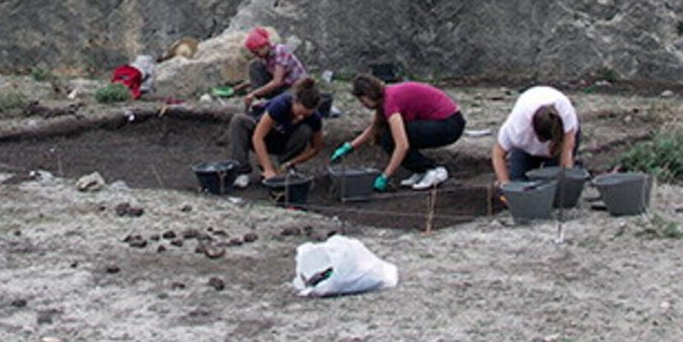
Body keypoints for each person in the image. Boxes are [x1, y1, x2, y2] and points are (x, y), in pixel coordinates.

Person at [331, 75, 464, 191]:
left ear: (368, 95)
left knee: (389, 137)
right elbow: (375, 128)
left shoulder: (391, 101)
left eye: (362, 100)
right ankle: (421, 170)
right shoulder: (385, 98)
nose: (362, 104)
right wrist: (349, 147)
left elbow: (402, 145)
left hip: (449, 125)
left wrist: (385, 176)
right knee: (386, 134)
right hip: (440, 123)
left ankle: (434, 170)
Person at [227, 79, 326, 188]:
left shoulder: (314, 118)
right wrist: (268, 169)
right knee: (238, 121)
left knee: (305, 130)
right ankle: (242, 171)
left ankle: (284, 167)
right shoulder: (280, 105)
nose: (301, 117)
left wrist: (291, 163)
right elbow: (258, 137)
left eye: (306, 115)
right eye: (300, 112)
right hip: (262, 136)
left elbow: (316, 148)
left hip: (283, 141)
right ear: (294, 101)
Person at [491, 85, 581, 187]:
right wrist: (506, 185)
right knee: (518, 182)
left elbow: (566, 156)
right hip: (525, 146)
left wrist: (564, 179)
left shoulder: (565, 116)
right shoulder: (518, 128)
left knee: (554, 185)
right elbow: (498, 153)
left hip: (561, 136)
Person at [232, 27, 310, 107]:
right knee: (255, 66)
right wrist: (240, 87)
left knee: (282, 102)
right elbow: (261, 77)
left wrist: (253, 93)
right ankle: (262, 97)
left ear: (264, 45)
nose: (256, 55)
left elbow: (277, 81)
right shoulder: (265, 56)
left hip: (293, 86)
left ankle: (263, 99)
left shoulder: (280, 51)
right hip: (282, 83)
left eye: (257, 52)